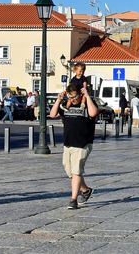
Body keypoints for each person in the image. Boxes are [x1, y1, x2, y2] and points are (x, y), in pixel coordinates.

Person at [49, 81, 99, 209]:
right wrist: (59, 100)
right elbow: (53, 114)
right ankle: (86, 190)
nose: (73, 99)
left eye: (75, 97)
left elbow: (93, 113)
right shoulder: (67, 106)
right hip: (68, 144)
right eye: (70, 97)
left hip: (82, 144)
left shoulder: (87, 104)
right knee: (70, 171)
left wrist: (87, 96)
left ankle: (73, 200)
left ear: (80, 94)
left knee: (76, 172)